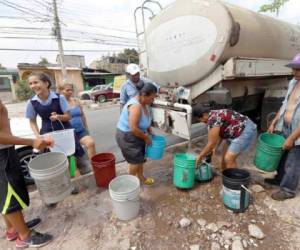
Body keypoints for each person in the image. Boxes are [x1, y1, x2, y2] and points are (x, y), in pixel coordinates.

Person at [0, 99, 53, 248]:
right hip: (1, 155)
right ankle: (25, 236)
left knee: (5, 193)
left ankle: (13, 228)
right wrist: (31, 142)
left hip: (6, 150)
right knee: (9, 195)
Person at [25, 73, 90, 184]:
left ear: (46, 83)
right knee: (57, 161)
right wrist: (38, 136)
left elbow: (68, 116)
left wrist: (59, 116)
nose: (33, 86)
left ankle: (76, 181)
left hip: (64, 131)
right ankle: (66, 182)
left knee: (71, 158)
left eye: (36, 82)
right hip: (48, 134)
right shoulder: (31, 102)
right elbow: (32, 122)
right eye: (30, 84)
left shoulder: (59, 98)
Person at [265, 53, 300, 201]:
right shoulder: (293, 82)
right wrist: (274, 121)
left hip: (297, 131)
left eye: (298, 69)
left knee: (293, 160)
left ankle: (288, 190)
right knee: (282, 154)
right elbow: (285, 104)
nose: (294, 72)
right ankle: (279, 179)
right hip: (286, 125)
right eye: (294, 69)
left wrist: (292, 138)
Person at [116, 82, 157, 185]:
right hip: (127, 137)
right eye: (152, 98)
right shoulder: (135, 106)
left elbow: (143, 121)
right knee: (135, 162)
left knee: (140, 159)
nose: (153, 100)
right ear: (144, 95)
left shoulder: (144, 103)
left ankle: (141, 178)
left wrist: (149, 130)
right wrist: (146, 138)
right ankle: (128, 185)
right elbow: (133, 128)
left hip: (137, 135)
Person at [194, 106, 257, 170]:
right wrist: (215, 148)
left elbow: (211, 143)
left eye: (200, 119)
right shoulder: (212, 114)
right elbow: (219, 135)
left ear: (204, 115)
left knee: (229, 159)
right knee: (224, 156)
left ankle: (233, 179)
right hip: (234, 132)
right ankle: (223, 173)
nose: (201, 121)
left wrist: (200, 157)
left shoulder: (213, 120)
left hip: (244, 130)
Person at [61, 83, 96, 159]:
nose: (70, 92)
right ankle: (74, 169)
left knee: (90, 143)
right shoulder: (59, 103)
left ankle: (95, 168)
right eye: (67, 90)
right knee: (73, 156)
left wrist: (86, 127)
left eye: (71, 90)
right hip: (68, 134)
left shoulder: (76, 101)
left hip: (80, 130)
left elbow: (82, 115)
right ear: (61, 91)